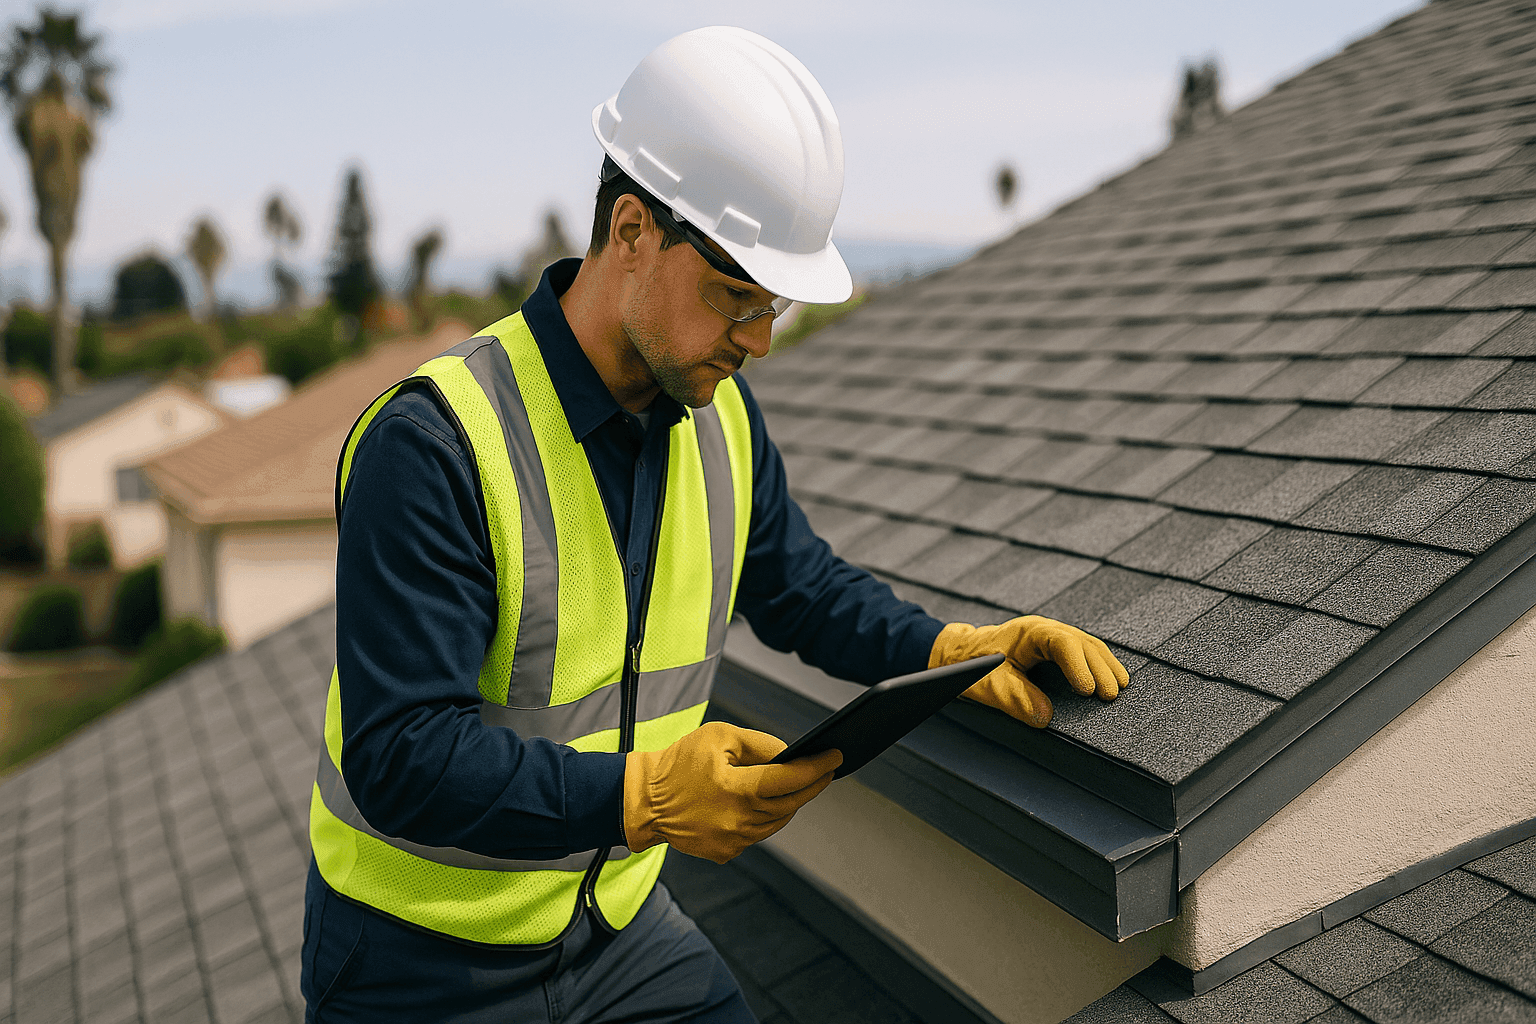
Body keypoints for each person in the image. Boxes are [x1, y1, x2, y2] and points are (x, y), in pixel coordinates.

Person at [300, 25, 1128, 1024]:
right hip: (416, 959)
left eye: (772, 303)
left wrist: (951, 646)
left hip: (610, 926)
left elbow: (798, 587)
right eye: (735, 295)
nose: (762, 341)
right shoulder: (436, 444)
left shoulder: (718, 417)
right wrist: (645, 797)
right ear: (632, 233)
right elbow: (401, 756)